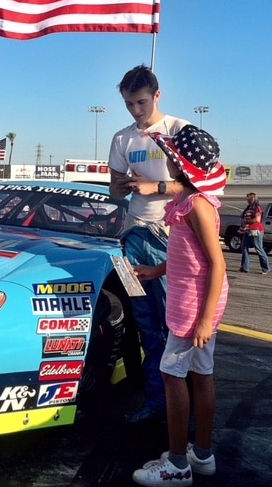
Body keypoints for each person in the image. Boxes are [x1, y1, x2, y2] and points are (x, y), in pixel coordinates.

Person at [131, 125, 228, 486]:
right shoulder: (189, 200)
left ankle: (176, 465)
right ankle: (201, 455)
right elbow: (189, 257)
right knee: (201, 372)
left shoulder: (197, 205)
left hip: (193, 306)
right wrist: (156, 271)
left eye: (170, 156)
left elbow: (217, 264)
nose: (166, 161)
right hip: (197, 303)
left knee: (172, 375)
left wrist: (204, 320)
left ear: (180, 164)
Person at [109, 65, 189, 425]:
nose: (136, 110)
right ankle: (156, 401)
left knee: (174, 325)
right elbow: (114, 191)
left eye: (141, 102)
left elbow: (198, 186)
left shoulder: (179, 130)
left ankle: (182, 411)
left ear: (157, 95)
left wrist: (155, 187)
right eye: (129, 104)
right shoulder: (122, 139)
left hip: (168, 237)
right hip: (132, 239)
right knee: (145, 324)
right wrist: (122, 186)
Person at [239, 192, 270, 275]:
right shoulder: (249, 207)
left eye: (249, 198)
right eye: (247, 198)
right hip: (247, 230)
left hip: (255, 230)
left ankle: (266, 268)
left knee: (258, 248)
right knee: (244, 247)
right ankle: (245, 267)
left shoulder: (257, 208)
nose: (247, 200)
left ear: (253, 198)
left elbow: (257, 220)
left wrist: (247, 221)